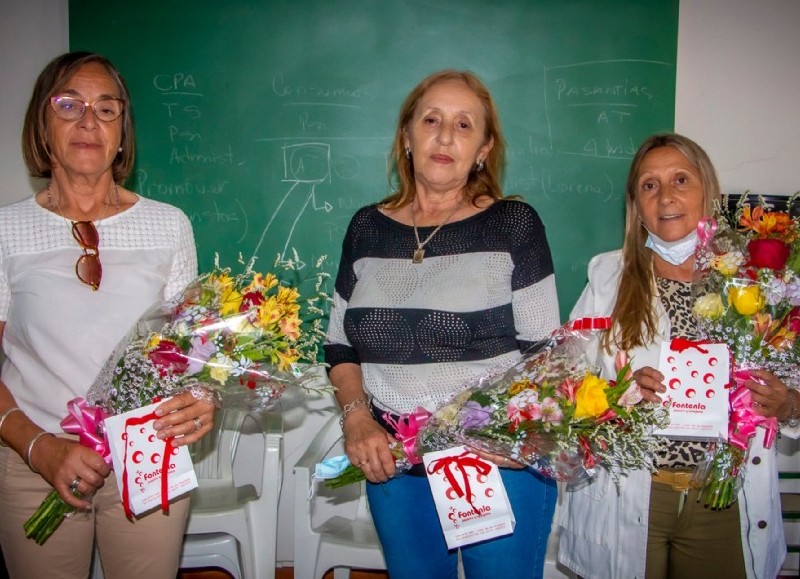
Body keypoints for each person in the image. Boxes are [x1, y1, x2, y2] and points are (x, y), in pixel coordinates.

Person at [324, 70, 561, 578]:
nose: (445, 136)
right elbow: (340, 345)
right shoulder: (366, 227)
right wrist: (357, 418)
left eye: (463, 124)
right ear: (407, 136)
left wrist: (518, 438)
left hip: (494, 462)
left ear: (483, 148)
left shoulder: (513, 225)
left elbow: (547, 354)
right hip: (393, 465)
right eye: (431, 119)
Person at [0, 52, 216, 578]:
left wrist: (206, 399)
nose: (89, 121)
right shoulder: (6, 231)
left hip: (149, 455)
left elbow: (192, 353)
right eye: (68, 104)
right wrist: (39, 448)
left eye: (107, 108)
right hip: (35, 463)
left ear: (123, 132)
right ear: (42, 126)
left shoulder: (169, 226)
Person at [557, 133, 798, 579]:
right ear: (636, 204)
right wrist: (617, 395)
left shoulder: (760, 280)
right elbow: (563, 383)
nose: (665, 196)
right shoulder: (608, 276)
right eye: (649, 185)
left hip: (723, 497)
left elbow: (795, 387)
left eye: (680, 179)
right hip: (631, 491)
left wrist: (787, 404)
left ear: (707, 189)